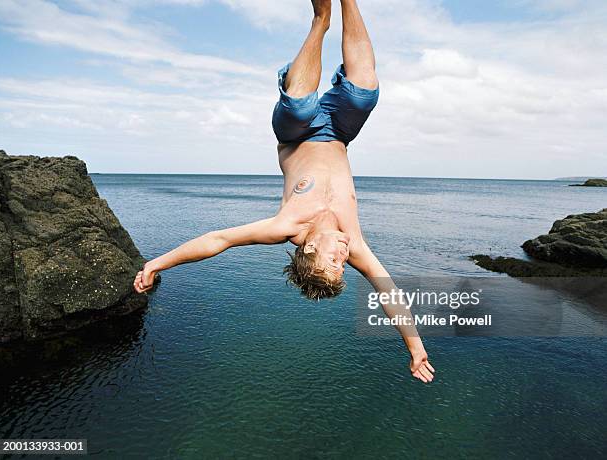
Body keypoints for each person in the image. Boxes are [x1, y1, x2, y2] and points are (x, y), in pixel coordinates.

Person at [134, 0, 435, 383]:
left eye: (334, 261)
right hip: (340, 132)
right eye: (342, 265)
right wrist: (415, 347)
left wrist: (157, 263)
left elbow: (218, 240)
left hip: (298, 133)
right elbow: (389, 294)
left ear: (309, 249)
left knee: (296, 105)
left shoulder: (287, 226)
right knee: (365, 93)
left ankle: (321, 19)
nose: (343, 257)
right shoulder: (355, 242)